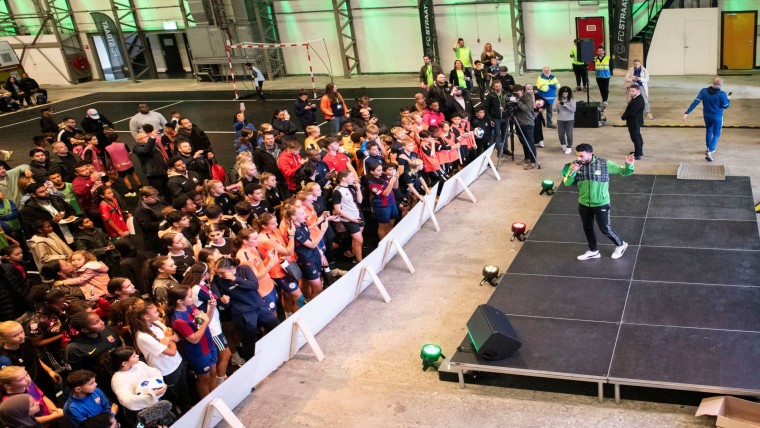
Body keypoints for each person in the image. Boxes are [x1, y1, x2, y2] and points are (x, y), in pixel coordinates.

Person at [561, 143, 634, 261]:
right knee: (587, 227)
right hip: (584, 203)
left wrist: (629, 165)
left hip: (601, 203)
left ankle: (621, 244)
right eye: (577, 156)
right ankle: (593, 250)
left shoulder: (604, 164)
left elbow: (625, 172)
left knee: (605, 228)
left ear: (590, 154)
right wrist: (572, 171)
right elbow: (567, 183)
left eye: (582, 156)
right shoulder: (572, 165)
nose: (579, 159)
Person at [683, 76, 731, 162]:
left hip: (706, 115)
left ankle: (708, 147)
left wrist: (687, 113)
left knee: (709, 130)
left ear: (713, 83)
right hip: (717, 117)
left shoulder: (703, 91)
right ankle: (710, 151)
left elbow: (696, 102)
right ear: (721, 84)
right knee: (716, 134)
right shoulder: (722, 94)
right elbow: (726, 106)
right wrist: (728, 99)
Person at [621, 85, 645, 160]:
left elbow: (632, 112)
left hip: (634, 121)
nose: (631, 93)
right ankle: (639, 151)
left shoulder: (638, 100)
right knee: (637, 136)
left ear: (638, 91)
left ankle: (637, 155)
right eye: (630, 91)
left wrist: (624, 117)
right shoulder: (636, 98)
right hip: (635, 121)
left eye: (633, 91)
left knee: (635, 138)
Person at [553, 86, 577, 155]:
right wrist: (556, 105)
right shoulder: (557, 99)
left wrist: (566, 105)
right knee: (561, 134)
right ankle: (563, 144)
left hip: (569, 119)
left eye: (566, 94)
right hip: (560, 119)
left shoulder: (572, 99)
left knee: (569, 134)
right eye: (563, 94)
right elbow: (554, 110)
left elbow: (573, 110)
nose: (565, 96)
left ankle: (569, 146)